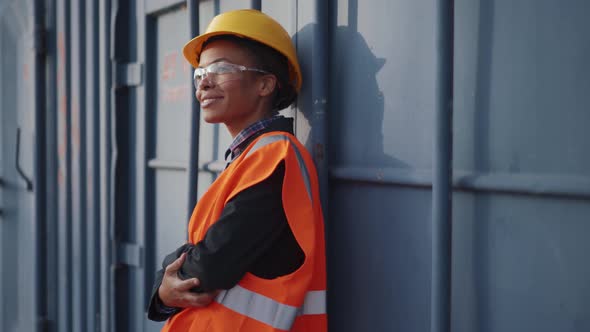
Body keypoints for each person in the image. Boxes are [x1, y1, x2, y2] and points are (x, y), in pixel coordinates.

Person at [147, 9, 327, 332]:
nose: (204, 82)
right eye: (199, 74)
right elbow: (204, 255)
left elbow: (210, 267)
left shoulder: (276, 157)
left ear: (265, 84)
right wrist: (165, 286)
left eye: (221, 69)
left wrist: (166, 281)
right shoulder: (251, 157)